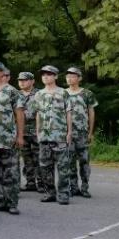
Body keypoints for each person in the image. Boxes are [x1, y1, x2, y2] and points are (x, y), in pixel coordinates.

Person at [0, 62, 25, 215]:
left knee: (11, 173)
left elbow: (19, 113)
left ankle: (12, 203)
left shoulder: (11, 91)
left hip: (8, 138)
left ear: (2, 73)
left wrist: (20, 135)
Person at [34, 66, 72, 205]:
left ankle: (63, 194)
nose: (45, 76)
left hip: (60, 135)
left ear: (55, 76)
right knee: (45, 166)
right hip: (44, 135)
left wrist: (69, 132)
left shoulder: (63, 93)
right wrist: (38, 132)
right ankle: (49, 193)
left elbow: (68, 112)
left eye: (49, 74)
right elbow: (38, 114)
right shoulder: (39, 94)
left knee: (63, 167)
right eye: (43, 74)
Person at [65, 67, 97, 198]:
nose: (69, 79)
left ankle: (84, 187)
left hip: (82, 133)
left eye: (73, 76)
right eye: (68, 76)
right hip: (67, 133)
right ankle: (73, 187)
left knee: (84, 161)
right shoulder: (63, 93)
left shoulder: (87, 93)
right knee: (69, 161)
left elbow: (91, 112)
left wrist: (90, 132)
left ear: (79, 78)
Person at [17, 72, 40, 192]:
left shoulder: (39, 94)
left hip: (36, 130)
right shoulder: (16, 94)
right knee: (26, 158)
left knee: (39, 158)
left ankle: (41, 183)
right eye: (20, 80)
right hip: (22, 131)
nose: (22, 82)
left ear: (32, 81)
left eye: (25, 80)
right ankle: (30, 182)